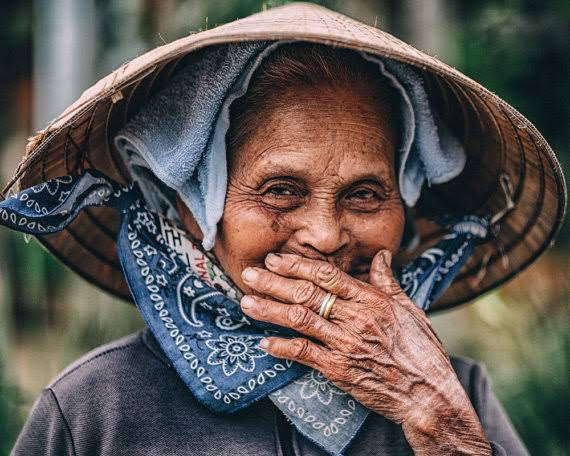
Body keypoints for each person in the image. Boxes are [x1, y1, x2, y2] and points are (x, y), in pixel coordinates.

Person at [2, 3, 565, 455]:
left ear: (407, 209)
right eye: (281, 191)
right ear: (199, 208)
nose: (324, 235)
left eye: (365, 194)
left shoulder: (457, 397)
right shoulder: (94, 411)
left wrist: (437, 422)